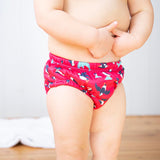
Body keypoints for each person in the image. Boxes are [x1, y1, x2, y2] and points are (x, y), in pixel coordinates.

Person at [33, 0, 154, 160]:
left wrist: (136, 38)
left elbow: (142, 10)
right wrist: (93, 38)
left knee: (108, 152)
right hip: (68, 76)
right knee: (72, 151)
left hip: (111, 76)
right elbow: (46, 15)